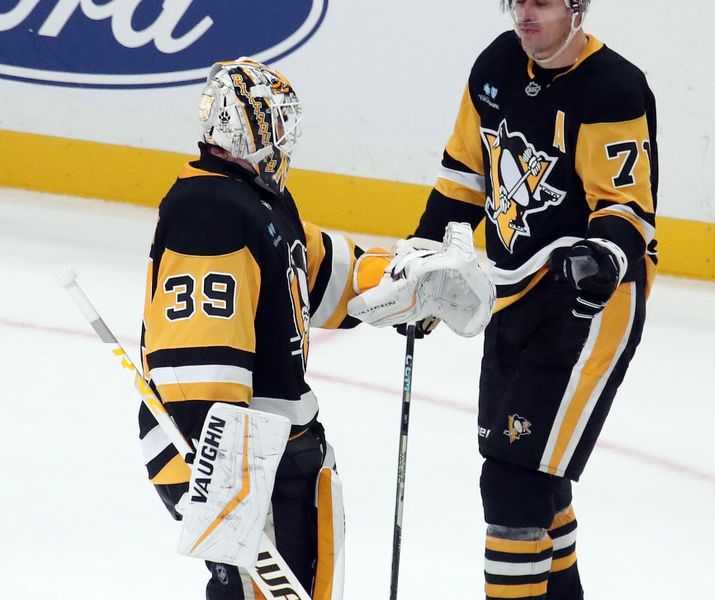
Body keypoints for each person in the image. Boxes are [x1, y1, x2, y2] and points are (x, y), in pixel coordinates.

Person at [135, 58, 493, 600]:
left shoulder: (259, 200)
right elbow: (198, 370)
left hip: (287, 456)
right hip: (248, 468)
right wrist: (221, 490)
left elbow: (324, 273)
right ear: (244, 126)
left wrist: (407, 281)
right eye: (277, 123)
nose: (285, 138)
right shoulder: (209, 213)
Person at [407, 1, 658, 598]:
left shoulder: (613, 89)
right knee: (537, 479)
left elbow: (627, 210)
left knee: (512, 484)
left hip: (589, 310)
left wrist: (603, 256)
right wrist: (421, 268)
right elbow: (462, 178)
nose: (524, 13)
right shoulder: (495, 64)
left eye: (541, 1)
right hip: (510, 298)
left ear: (576, 7)